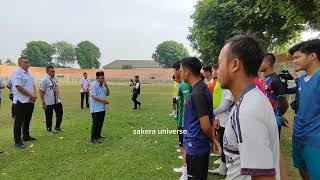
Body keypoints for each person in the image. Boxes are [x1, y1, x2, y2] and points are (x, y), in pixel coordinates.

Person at [217, 34, 280, 179]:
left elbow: (264, 177)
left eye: (219, 63)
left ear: (234, 65)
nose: (217, 70)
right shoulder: (254, 98)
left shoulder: (247, 111)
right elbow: (277, 156)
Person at [289, 39, 320, 180]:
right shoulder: (301, 80)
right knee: (302, 170)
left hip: (315, 141)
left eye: (297, 57)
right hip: (298, 136)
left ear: (312, 56)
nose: (294, 61)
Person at [180, 57, 214, 180]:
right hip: (196, 145)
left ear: (187, 72)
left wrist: (214, 140)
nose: (179, 73)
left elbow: (205, 124)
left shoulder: (198, 93)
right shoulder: (199, 88)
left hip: (196, 147)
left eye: (181, 70)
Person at [11, 55, 37, 149]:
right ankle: (17, 141)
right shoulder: (17, 72)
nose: (27, 64)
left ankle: (26, 136)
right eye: (25, 62)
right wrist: (31, 95)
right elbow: (18, 87)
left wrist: (33, 96)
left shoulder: (28, 73)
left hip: (29, 101)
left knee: (27, 119)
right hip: (20, 101)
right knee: (18, 121)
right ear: (20, 63)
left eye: (28, 62)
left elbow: (32, 85)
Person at [259, 53, 288, 135]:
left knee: (272, 146)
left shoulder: (275, 80)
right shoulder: (262, 79)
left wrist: (278, 116)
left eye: (261, 62)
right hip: (262, 118)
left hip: (272, 121)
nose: (258, 64)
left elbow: (284, 102)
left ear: (268, 63)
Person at [172, 61, 191, 180]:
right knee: (182, 146)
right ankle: (184, 168)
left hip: (184, 123)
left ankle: (185, 173)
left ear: (180, 70)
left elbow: (189, 102)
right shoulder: (181, 84)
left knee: (184, 147)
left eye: (175, 71)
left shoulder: (184, 86)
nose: (174, 74)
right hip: (181, 121)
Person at [208, 89, 235, 176]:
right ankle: (223, 168)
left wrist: (211, 114)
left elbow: (224, 106)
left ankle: (228, 170)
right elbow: (221, 103)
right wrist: (217, 117)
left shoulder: (232, 89)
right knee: (224, 145)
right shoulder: (226, 89)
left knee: (229, 147)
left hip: (229, 122)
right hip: (223, 122)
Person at [39, 66, 64, 135]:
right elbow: (41, 91)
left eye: (54, 71)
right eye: (52, 71)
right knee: (49, 116)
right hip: (48, 102)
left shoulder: (55, 78)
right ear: (47, 72)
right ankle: (49, 130)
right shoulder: (44, 80)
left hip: (56, 101)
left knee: (60, 113)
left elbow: (56, 87)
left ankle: (57, 127)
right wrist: (43, 102)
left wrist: (58, 95)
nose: (53, 72)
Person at [90, 71, 110, 144]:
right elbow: (93, 96)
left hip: (102, 108)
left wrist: (106, 85)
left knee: (100, 123)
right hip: (95, 109)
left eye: (104, 78)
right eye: (102, 78)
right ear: (97, 78)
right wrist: (103, 100)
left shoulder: (103, 85)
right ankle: (93, 138)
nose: (103, 80)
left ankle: (98, 135)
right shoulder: (93, 85)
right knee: (95, 124)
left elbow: (108, 94)